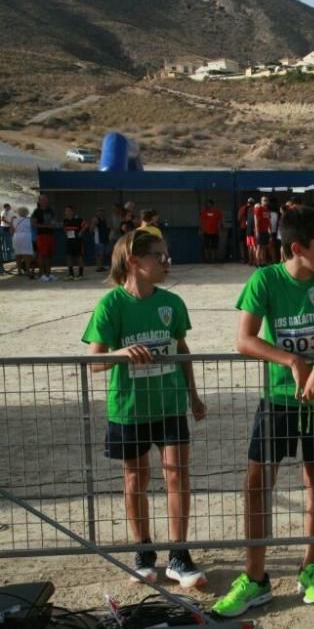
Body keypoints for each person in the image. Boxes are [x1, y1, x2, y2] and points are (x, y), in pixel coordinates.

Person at [213, 205, 314, 617]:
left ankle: (311, 568)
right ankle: (255, 579)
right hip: (277, 400)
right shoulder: (264, 280)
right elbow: (244, 339)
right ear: (297, 248)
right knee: (257, 483)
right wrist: (292, 362)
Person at [82, 230, 208, 586]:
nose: (167, 262)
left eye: (167, 255)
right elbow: (93, 362)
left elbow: (182, 350)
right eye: (159, 256)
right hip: (129, 409)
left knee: (177, 476)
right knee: (136, 478)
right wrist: (120, 354)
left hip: (169, 406)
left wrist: (193, 395)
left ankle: (179, 555)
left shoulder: (172, 302)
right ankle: (143, 552)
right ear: (134, 262)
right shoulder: (111, 305)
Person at [32, 195, 58, 281]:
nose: (46, 201)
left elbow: (53, 219)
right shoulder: (36, 211)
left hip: (50, 235)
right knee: (42, 255)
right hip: (41, 236)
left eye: (46, 199)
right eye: (43, 200)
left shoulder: (50, 210)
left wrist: (54, 222)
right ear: (39, 201)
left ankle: (49, 274)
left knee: (49, 255)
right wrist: (46, 226)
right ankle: (42, 275)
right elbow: (34, 224)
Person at [63, 205, 86, 280]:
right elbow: (65, 228)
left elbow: (85, 225)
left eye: (69, 211)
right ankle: (71, 274)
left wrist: (81, 232)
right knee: (69, 257)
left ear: (73, 211)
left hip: (77, 241)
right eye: (66, 211)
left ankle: (80, 274)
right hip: (69, 240)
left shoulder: (78, 219)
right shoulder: (65, 220)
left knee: (79, 257)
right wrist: (65, 232)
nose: (67, 212)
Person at [11, 206, 35, 278]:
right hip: (26, 236)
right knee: (27, 254)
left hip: (16, 236)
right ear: (27, 213)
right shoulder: (29, 220)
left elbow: (11, 230)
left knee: (18, 254)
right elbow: (33, 228)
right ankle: (27, 270)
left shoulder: (14, 220)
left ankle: (19, 271)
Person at [253, 198, 271, 267]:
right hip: (260, 231)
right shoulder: (259, 209)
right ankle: (258, 262)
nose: (266, 201)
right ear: (261, 201)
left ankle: (263, 262)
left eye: (266, 200)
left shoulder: (267, 210)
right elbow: (256, 221)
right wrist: (257, 232)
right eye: (264, 200)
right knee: (259, 247)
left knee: (264, 247)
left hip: (265, 231)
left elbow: (268, 222)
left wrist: (270, 231)